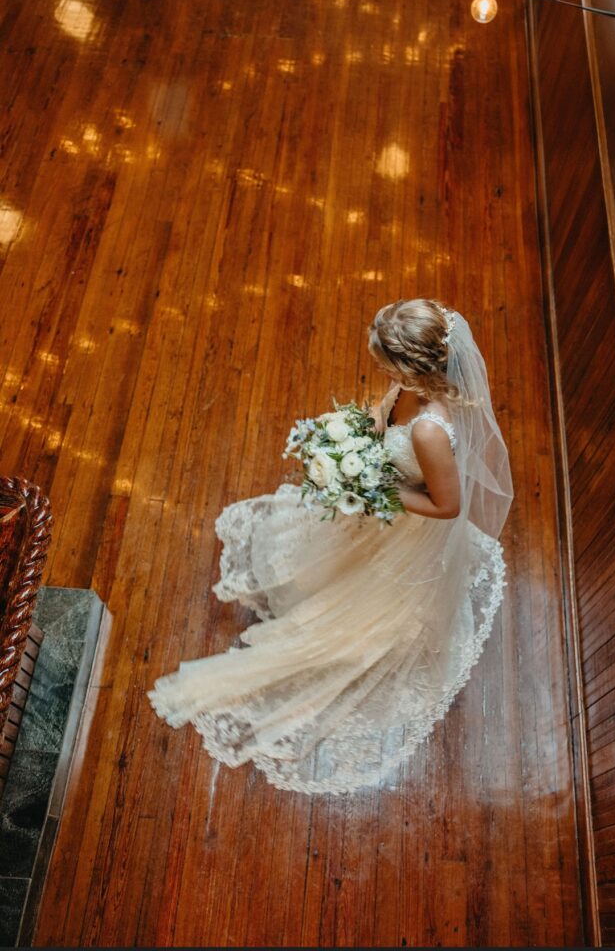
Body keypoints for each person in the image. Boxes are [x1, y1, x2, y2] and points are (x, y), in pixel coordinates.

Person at [147, 299, 514, 794]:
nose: (381, 370)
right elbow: (385, 416)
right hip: (381, 504)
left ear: (412, 364)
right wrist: (358, 439)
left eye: (385, 362)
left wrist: (374, 488)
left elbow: (447, 506)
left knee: (368, 608)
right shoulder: (411, 384)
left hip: (405, 523)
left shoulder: (430, 431)